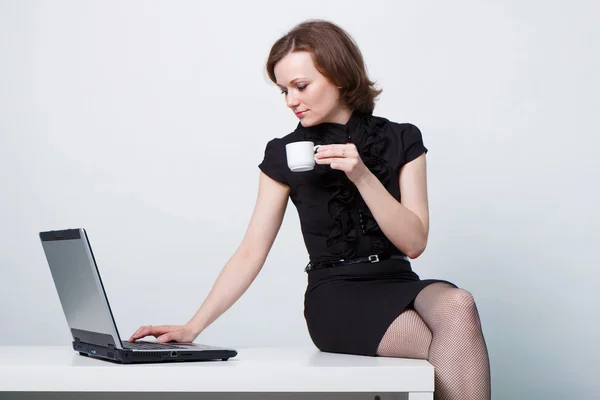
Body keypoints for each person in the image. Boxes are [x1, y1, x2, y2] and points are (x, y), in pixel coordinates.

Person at [129, 19, 491, 400]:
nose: (290, 101)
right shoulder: (282, 154)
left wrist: (362, 175)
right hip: (335, 296)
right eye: (283, 90)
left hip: (398, 281)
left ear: (339, 77)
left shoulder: (402, 139)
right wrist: (193, 327)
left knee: (458, 303)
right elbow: (252, 250)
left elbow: (414, 243)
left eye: (300, 87)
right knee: (446, 343)